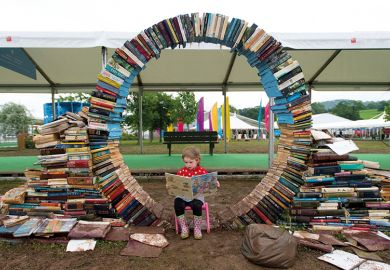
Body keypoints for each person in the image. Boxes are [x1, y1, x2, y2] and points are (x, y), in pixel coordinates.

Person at [174, 146, 217, 240]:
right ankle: (184, 227)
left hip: (197, 197)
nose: (188, 165)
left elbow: (209, 181)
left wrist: (215, 182)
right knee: (177, 203)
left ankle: (197, 228)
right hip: (183, 196)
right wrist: (171, 186)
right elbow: (176, 183)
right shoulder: (181, 171)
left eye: (190, 162)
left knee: (197, 205)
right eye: (186, 162)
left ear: (197, 160)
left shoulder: (202, 171)